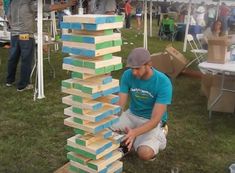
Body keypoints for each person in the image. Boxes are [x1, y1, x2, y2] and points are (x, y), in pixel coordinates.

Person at [111, 47, 173, 161]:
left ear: (149, 64)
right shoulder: (127, 75)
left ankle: (161, 133)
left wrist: (134, 133)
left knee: (145, 153)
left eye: (137, 68)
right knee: (105, 128)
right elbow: (120, 105)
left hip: (151, 120)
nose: (134, 72)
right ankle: (130, 140)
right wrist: (113, 119)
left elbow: (154, 120)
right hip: (131, 115)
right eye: (132, 68)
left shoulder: (163, 82)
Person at [5, 0, 77, 91]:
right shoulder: (28, 2)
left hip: (14, 34)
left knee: (13, 58)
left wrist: (14, 27)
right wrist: (68, 4)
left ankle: (9, 80)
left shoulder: (13, 2)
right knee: (26, 60)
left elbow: (8, 16)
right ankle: (23, 85)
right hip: (26, 35)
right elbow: (47, 8)